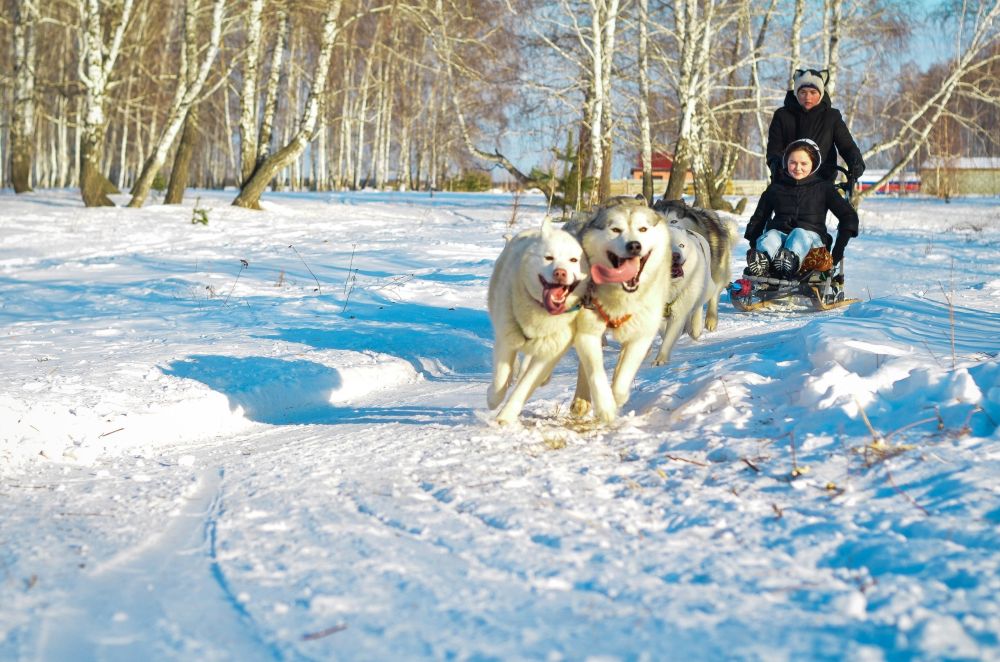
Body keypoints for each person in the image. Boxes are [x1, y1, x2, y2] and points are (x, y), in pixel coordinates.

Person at [744, 138, 858, 279]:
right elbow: (758, 218)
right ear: (786, 162)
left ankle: (789, 262)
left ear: (814, 164)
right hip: (779, 240)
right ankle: (762, 260)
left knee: (799, 233)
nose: (798, 168)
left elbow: (848, 217)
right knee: (771, 235)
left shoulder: (824, 188)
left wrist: (838, 251)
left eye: (804, 163)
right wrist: (753, 241)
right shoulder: (776, 188)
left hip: (811, 243)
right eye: (793, 162)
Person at [766, 68, 865, 183]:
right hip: (788, 182)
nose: (808, 97)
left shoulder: (831, 117)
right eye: (803, 92)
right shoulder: (782, 116)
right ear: (796, 93)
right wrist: (776, 168)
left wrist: (855, 163)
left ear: (821, 94)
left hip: (823, 181)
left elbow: (847, 146)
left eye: (813, 92)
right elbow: (774, 149)